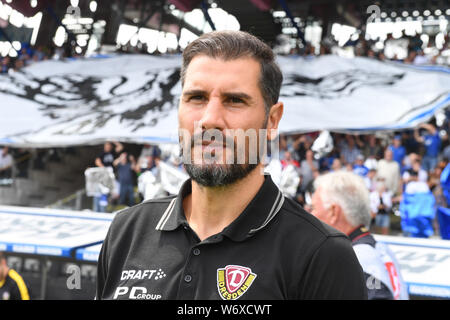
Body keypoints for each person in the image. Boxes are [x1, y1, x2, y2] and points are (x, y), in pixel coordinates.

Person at [96, 30, 367, 300]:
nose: (210, 119)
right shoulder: (127, 230)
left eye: (235, 100)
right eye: (197, 98)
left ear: (272, 121)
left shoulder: (322, 255)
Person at [311, 171, 409, 300]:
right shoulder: (377, 249)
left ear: (334, 212)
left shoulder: (357, 260)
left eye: (313, 208)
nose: (310, 215)